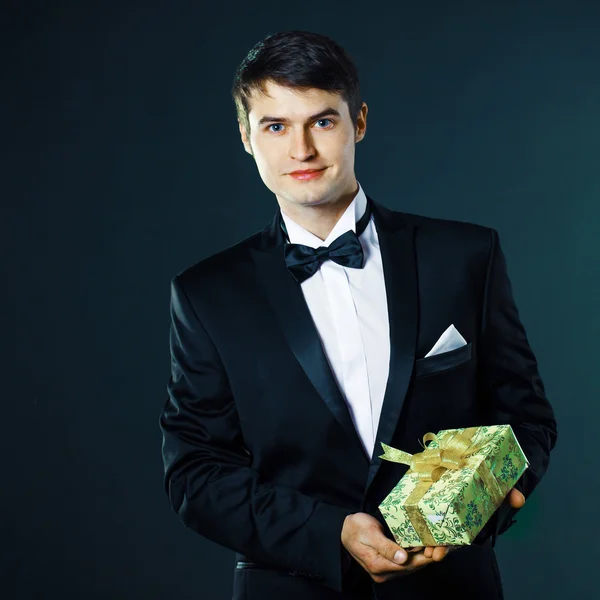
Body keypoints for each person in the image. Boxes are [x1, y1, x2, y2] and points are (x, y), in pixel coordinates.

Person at [159, 30, 557, 600]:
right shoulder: (206, 294)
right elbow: (195, 472)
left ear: (359, 122)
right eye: (275, 126)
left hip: (452, 586)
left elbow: (526, 417)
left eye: (322, 121)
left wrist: (486, 500)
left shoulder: (464, 256)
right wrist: (328, 532)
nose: (301, 150)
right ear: (247, 137)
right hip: (292, 586)